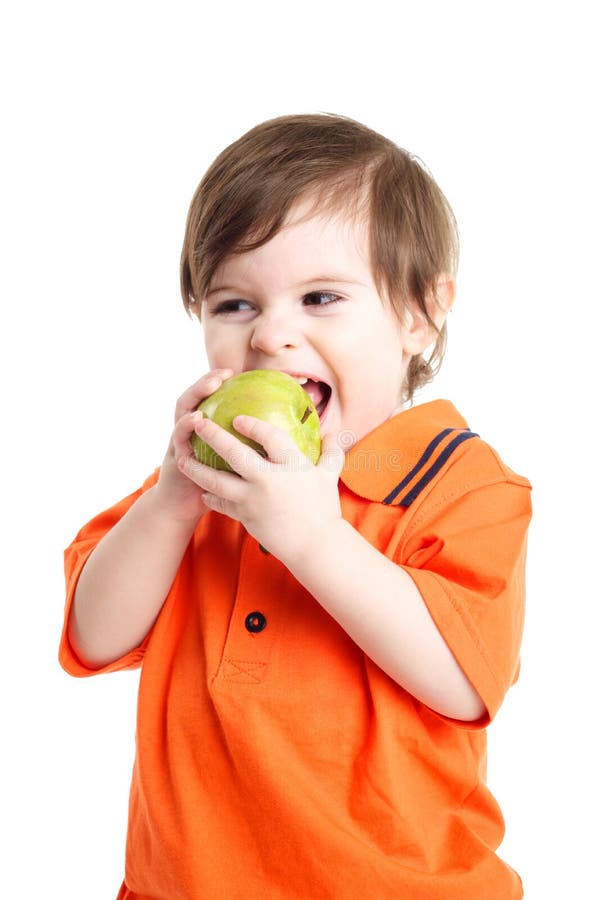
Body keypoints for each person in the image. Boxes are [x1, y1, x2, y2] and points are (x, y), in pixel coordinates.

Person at [60, 113, 532, 899]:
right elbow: (91, 634)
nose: (272, 336)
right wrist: (173, 501)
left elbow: (461, 680)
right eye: (235, 305)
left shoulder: (463, 484)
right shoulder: (204, 485)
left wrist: (312, 537)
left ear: (418, 313)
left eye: (320, 298)